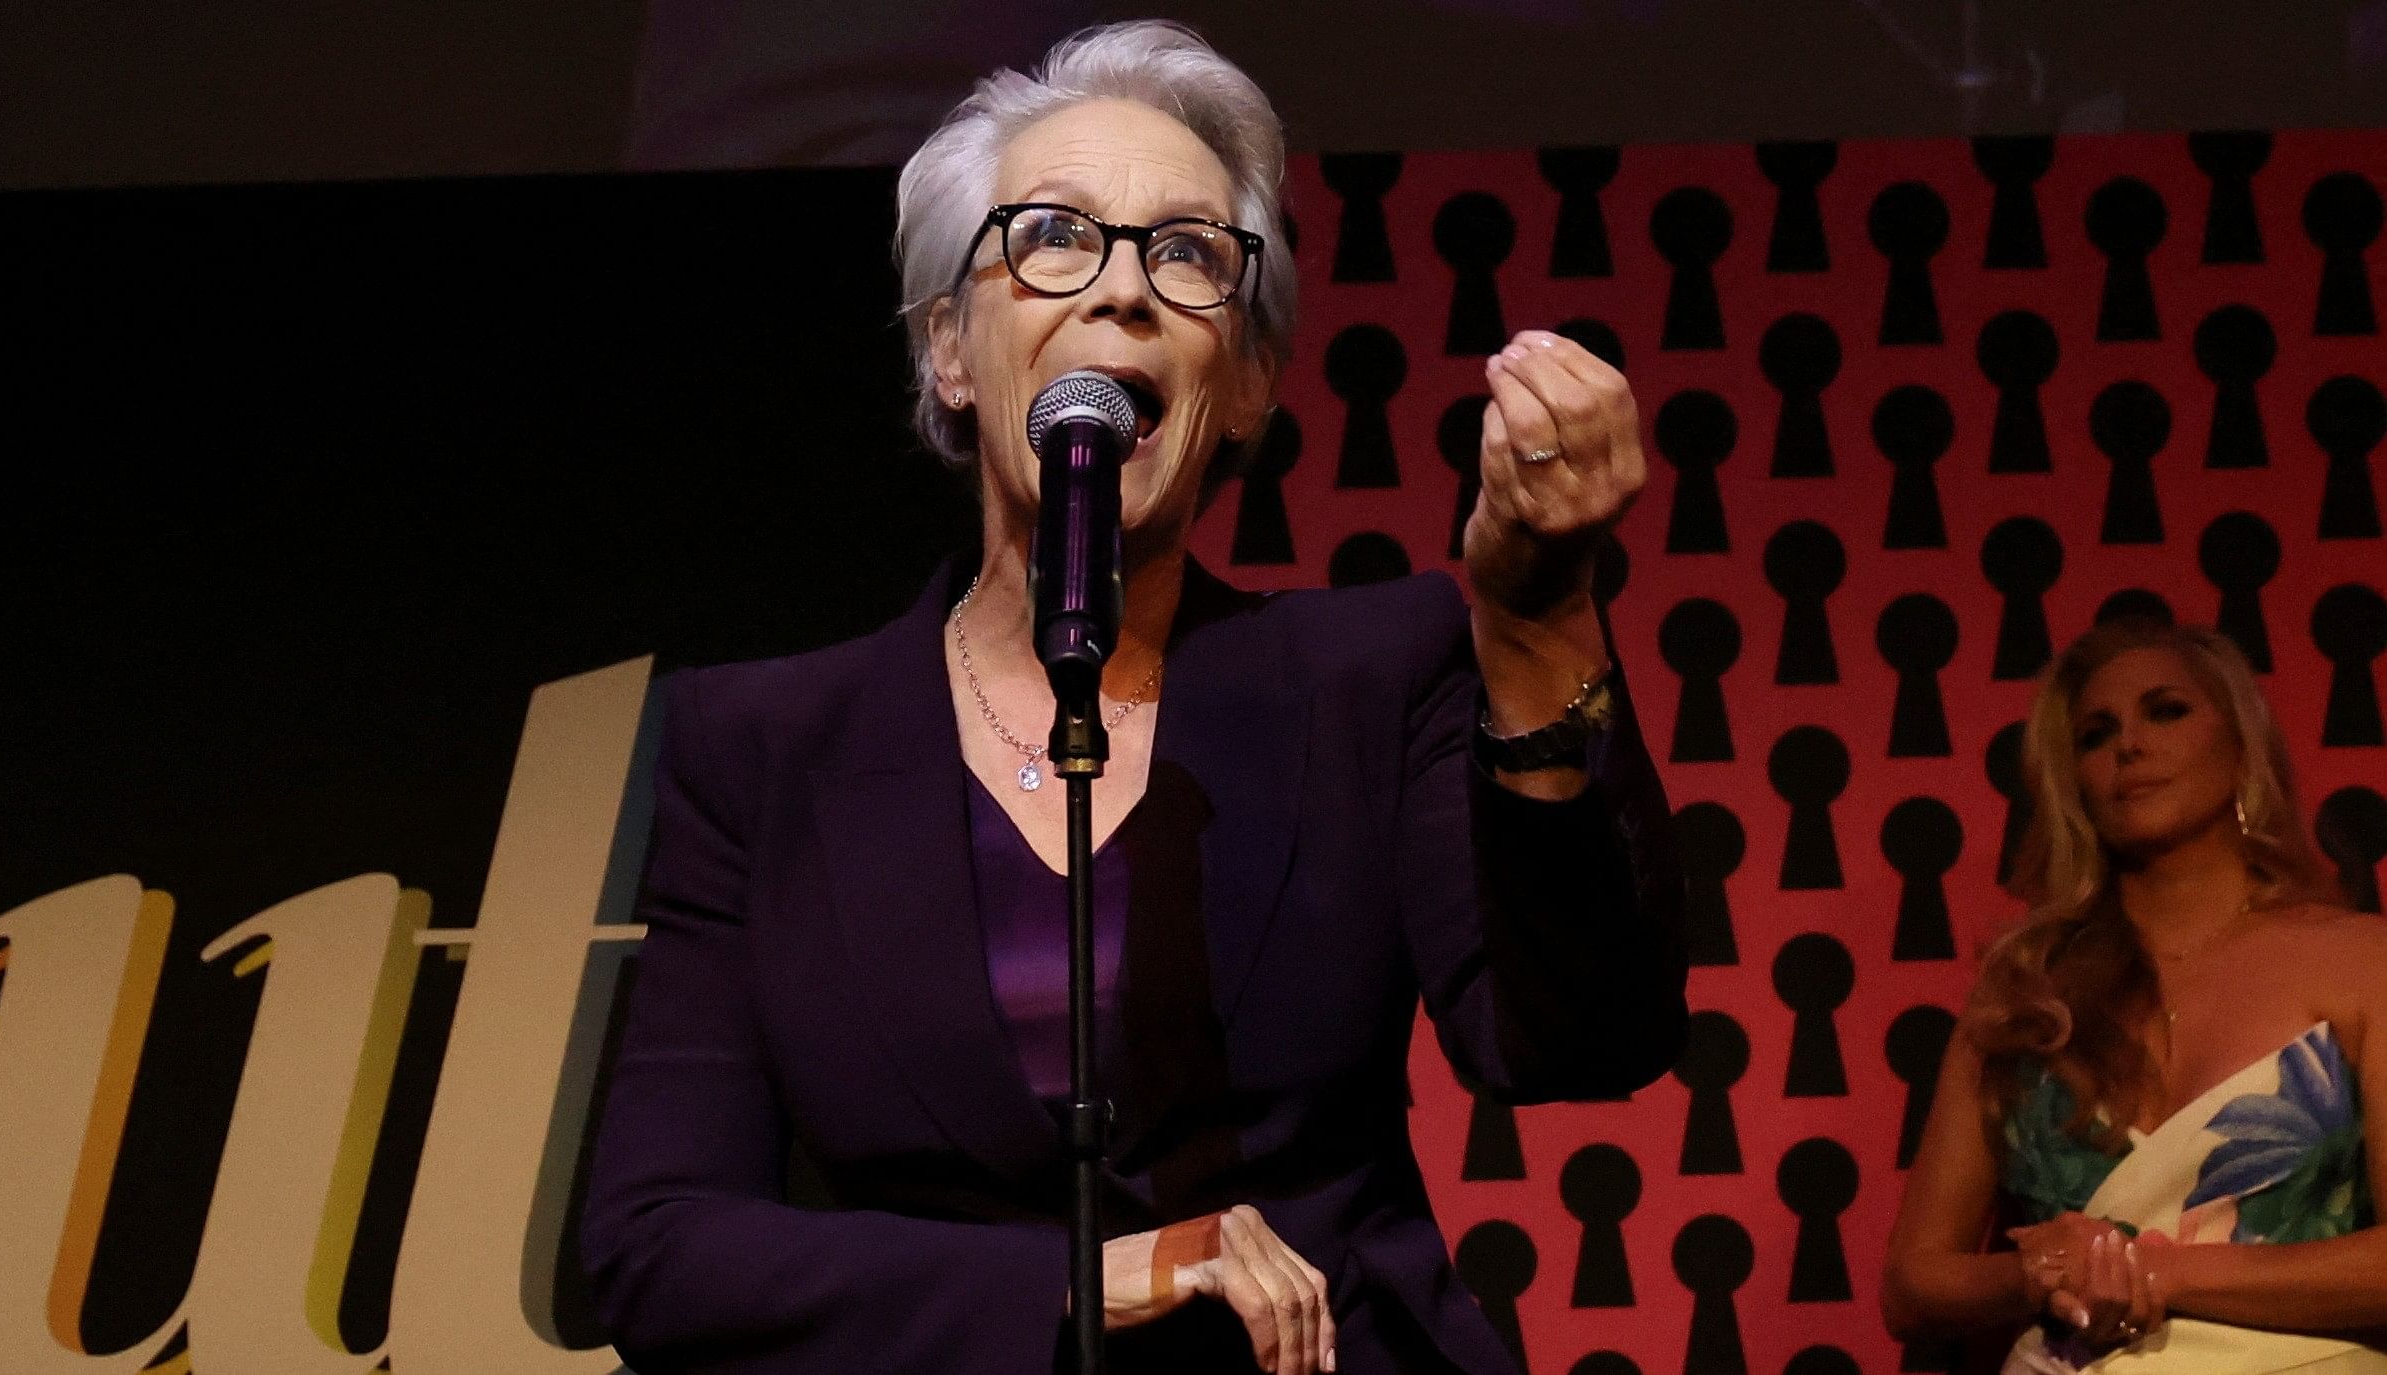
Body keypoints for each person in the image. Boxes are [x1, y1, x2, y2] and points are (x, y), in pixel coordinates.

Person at [580, 19, 1688, 1375]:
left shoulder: (1370, 674)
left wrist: (1535, 619)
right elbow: (656, 1248)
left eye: (1186, 254)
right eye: (1051, 236)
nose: (1122, 293)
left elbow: (1583, 1038)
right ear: (948, 348)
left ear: (1247, 388)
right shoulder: (759, 750)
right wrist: (1077, 1282)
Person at [1883, 619, 2387, 1373]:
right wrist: (2032, 1270)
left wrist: (2156, 1269)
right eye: (2094, 733)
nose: (2128, 745)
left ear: (2241, 741)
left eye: (2165, 710)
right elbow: (1911, 1283)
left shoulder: (2360, 958)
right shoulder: (2025, 989)